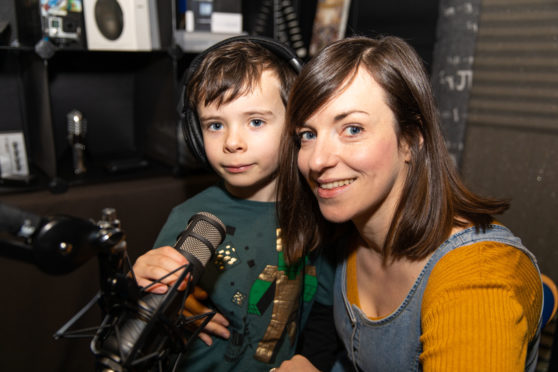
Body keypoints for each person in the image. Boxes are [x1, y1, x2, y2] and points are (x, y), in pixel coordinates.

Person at [275, 35, 543, 371]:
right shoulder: (349, 233)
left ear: (410, 140)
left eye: (352, 129)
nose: (316, 160)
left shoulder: (477, 279)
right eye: (308, 135)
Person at [131, 36, 338, 371]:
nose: (232, 142)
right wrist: (145, 293)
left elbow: (325, 309)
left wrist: (309, 360)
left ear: (296, 127)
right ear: (196, 135)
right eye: (215, 125)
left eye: (255, 121)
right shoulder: (191, 219)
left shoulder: (319, 213)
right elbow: (148, 327)